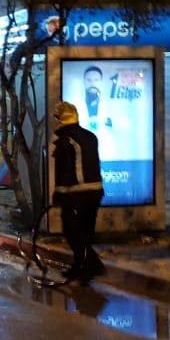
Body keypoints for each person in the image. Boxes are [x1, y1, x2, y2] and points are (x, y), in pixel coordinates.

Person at [51, 101, 106, 282]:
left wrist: (58, 194)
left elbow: (64, 172)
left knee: (72, 231)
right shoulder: (90, 136)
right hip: (95, 191)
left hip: (76, 194)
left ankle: (90, 266)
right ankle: (82, 266)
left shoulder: (65, 141)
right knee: (84, 232)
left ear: (61, 120)